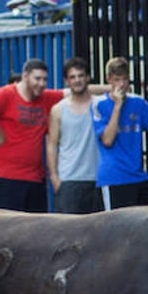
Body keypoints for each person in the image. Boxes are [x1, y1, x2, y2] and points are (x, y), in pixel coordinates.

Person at [0, 58, 67, 212]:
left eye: (45, 79)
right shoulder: (7, 94)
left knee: (35, 230)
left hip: (34, 178)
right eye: (37, 78)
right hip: (5, 177)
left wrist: (112, 87)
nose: (42, 83)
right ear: (25, 76)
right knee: (6, 230)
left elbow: (75, 91)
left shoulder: (46, 97)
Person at [94, 57, 148, 210]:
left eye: (125, 79)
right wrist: (117, 106)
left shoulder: (138, 102)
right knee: (116, 228)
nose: (121, 84)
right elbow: (107, 140)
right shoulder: (99, 104)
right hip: (114, 177)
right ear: (109, 80)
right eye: (117, 80)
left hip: (137, 175)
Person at [46, 57, 103, 214]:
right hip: (69, 180)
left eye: (80, 75)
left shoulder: (100, 104)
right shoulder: (58, 109)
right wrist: (54, 178)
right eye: (72, 77)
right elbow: (51, 144)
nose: (77, 80)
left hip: (98, 178)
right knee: (67, 234)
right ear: (66, 81)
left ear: (88, 78)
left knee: (99, 234)